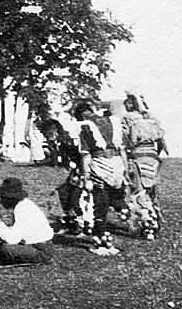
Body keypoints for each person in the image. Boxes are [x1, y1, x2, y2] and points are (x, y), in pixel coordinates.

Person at [72, 100, 128, 255]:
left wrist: (85, 176)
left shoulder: (83, 126)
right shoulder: (113, 121)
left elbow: (85, 155)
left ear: (79, 116)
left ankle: (100, 239)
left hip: (100, 165)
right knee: (114, 196)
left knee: (100, 204)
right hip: (117, 164)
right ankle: (124, 210)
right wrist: (125, 171)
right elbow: (122, 150)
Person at [121, 93, 165, 239]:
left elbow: (126, 140)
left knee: (138, 191)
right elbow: (160, 139)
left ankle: (148, 224)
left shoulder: (127, 119)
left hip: (138, 156)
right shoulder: (150, 119)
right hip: (152, 157)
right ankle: (153, 220)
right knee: (150, 190)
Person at [0, 177, 54, 265]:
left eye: (3, 197)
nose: (1, 201)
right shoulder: (23, 205)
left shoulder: (24, 210)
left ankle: (42, 258)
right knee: (3, 246)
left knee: (6, 249)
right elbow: (17, 232)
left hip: (41, 250)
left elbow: (12, 239)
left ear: (11, 198)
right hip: (34, 245)